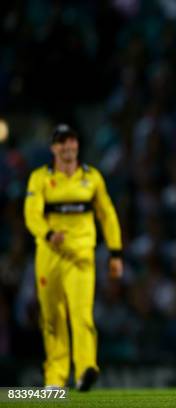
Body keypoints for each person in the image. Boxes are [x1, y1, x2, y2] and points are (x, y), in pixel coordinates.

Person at [24, 124, 123, 391]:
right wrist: (47, 234)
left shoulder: (92, 178)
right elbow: (32, 214)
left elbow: (107, 214)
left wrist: (115, 252)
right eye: (61, 143)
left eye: (71, 142)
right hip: (50, 255)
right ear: (53, 148)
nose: (67, 147)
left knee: (81, 314)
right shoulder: (40, 178)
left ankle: (85, 369)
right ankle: (55, 378)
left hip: (81, 256)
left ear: (77, 145)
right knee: (53, 317)